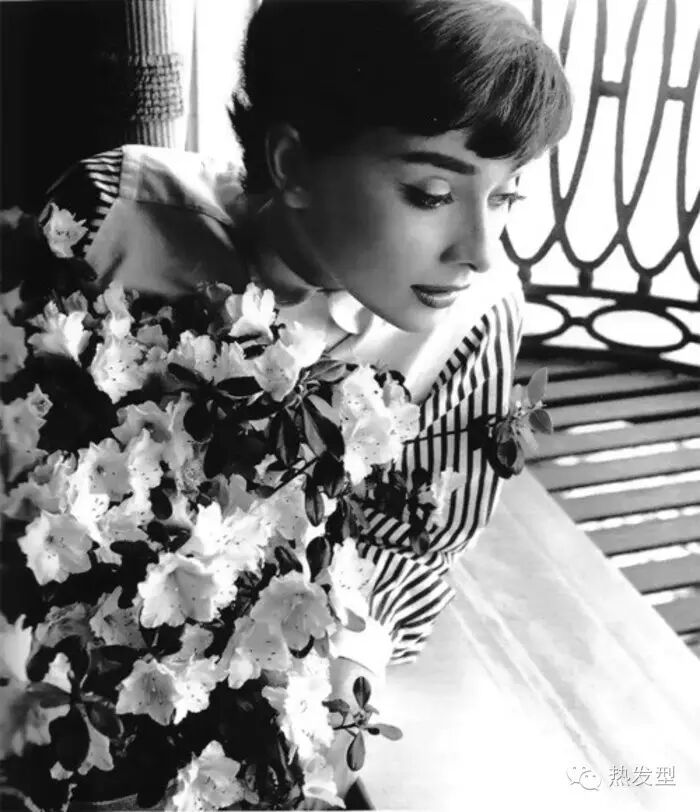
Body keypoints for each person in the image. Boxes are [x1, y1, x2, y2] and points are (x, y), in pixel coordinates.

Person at [43, 0, 572, 798]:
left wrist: (342, 680)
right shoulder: (114, 213)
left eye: (505, 198)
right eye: (433, 193)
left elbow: (415, 544)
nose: (479, 251)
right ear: (291, 163)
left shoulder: (477, 314)